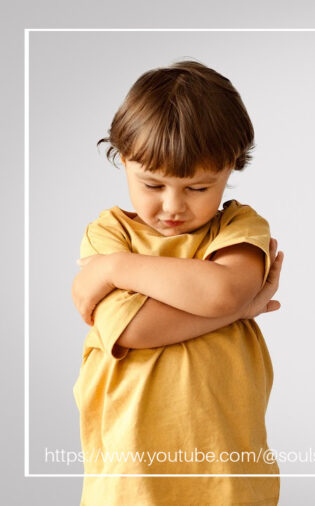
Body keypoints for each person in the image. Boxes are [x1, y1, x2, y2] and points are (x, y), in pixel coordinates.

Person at [71, 61, 284, 505]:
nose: (172, 206)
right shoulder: (110, 234)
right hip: (131, 475)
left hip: (224, 468)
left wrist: (114, 269)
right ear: (123, 160)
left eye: (198, 188)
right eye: (153, 185)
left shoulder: (237, 229)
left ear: (230, 169)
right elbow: (131, 329)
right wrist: (237, 313)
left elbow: (222, 292)